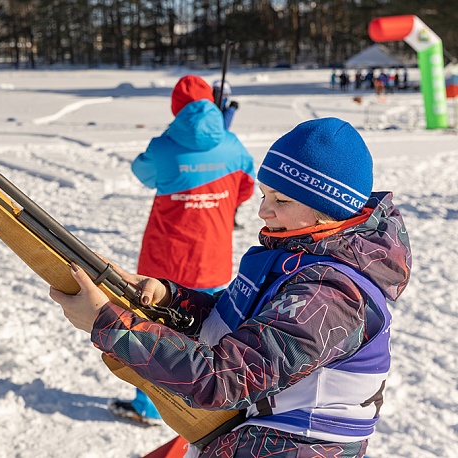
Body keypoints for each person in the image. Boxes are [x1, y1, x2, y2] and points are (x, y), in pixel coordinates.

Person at [51, 117, 411, 457]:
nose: (263, 212)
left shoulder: (330, 295)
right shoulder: (300, 259)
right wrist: (168, 297)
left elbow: (225, 378)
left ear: (327, 209)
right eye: (264, 196)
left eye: (281, 201)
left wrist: (106, 323)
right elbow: (244, 326)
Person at [107, 75, 255, 426]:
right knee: (211, 334)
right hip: (213, 258)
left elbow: (142, 173)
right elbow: (246, 189)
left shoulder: (164, 145)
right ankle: (207, 406)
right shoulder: (233, 146)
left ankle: (149, 405)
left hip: (164, 262)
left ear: (176, 106)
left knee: (150, 331)